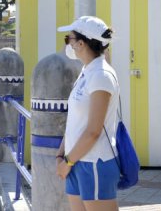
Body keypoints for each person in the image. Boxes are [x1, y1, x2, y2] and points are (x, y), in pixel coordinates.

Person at [54, 16, 120, 210]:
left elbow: (93, 131)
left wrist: (67, 161)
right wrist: (62, 155)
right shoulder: (87, 71)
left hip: (94, 162)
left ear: (81, 43)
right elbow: (76, 120)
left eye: (69, 39)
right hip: (76, 160)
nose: (68, 44)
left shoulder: (101, 75)